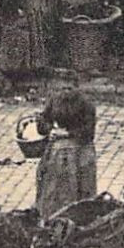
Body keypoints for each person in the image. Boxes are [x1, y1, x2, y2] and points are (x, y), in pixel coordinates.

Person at [37, 89, 98, 219]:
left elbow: (89, 132)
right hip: (56, 154)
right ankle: (51, 216)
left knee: (81, 191)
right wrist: (50, 130)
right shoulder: (54, 100)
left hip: (81, 152)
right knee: (52, 190)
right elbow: (42, 122)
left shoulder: (86, 105)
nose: (65, 90)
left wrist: (68, 134)